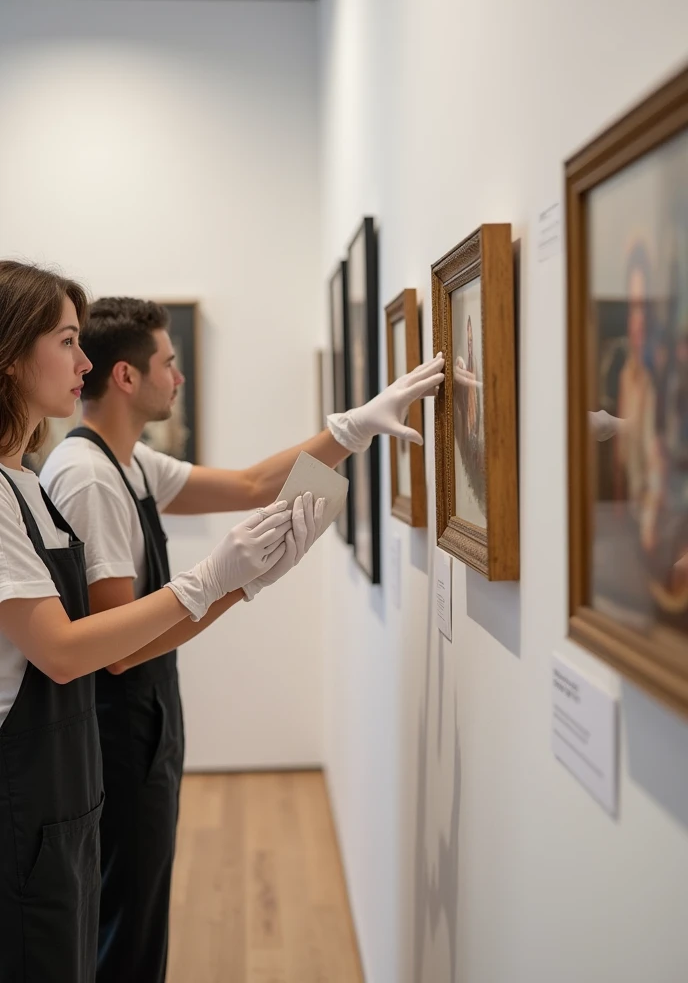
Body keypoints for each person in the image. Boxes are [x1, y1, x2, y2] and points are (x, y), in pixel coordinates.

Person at [41, 295, 445, 983]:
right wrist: (240, 583)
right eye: (170, 363)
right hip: (118, 729)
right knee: (124, 930)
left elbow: (256, 484)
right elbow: (117, 653)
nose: (181, 375)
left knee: (140, 917)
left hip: (149, 718)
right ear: (129, 379)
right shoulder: (89, 478)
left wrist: (352, 431)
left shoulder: (131, 463)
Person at [0, 261, 328, 983]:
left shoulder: (26, 478)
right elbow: (63, 650)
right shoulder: (61, 478)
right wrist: (217, 580)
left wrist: (347, 435)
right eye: (64, 341)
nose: (82, 363)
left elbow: (248, 485)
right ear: (12, 355)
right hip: (40, 787)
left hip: (74, 777)